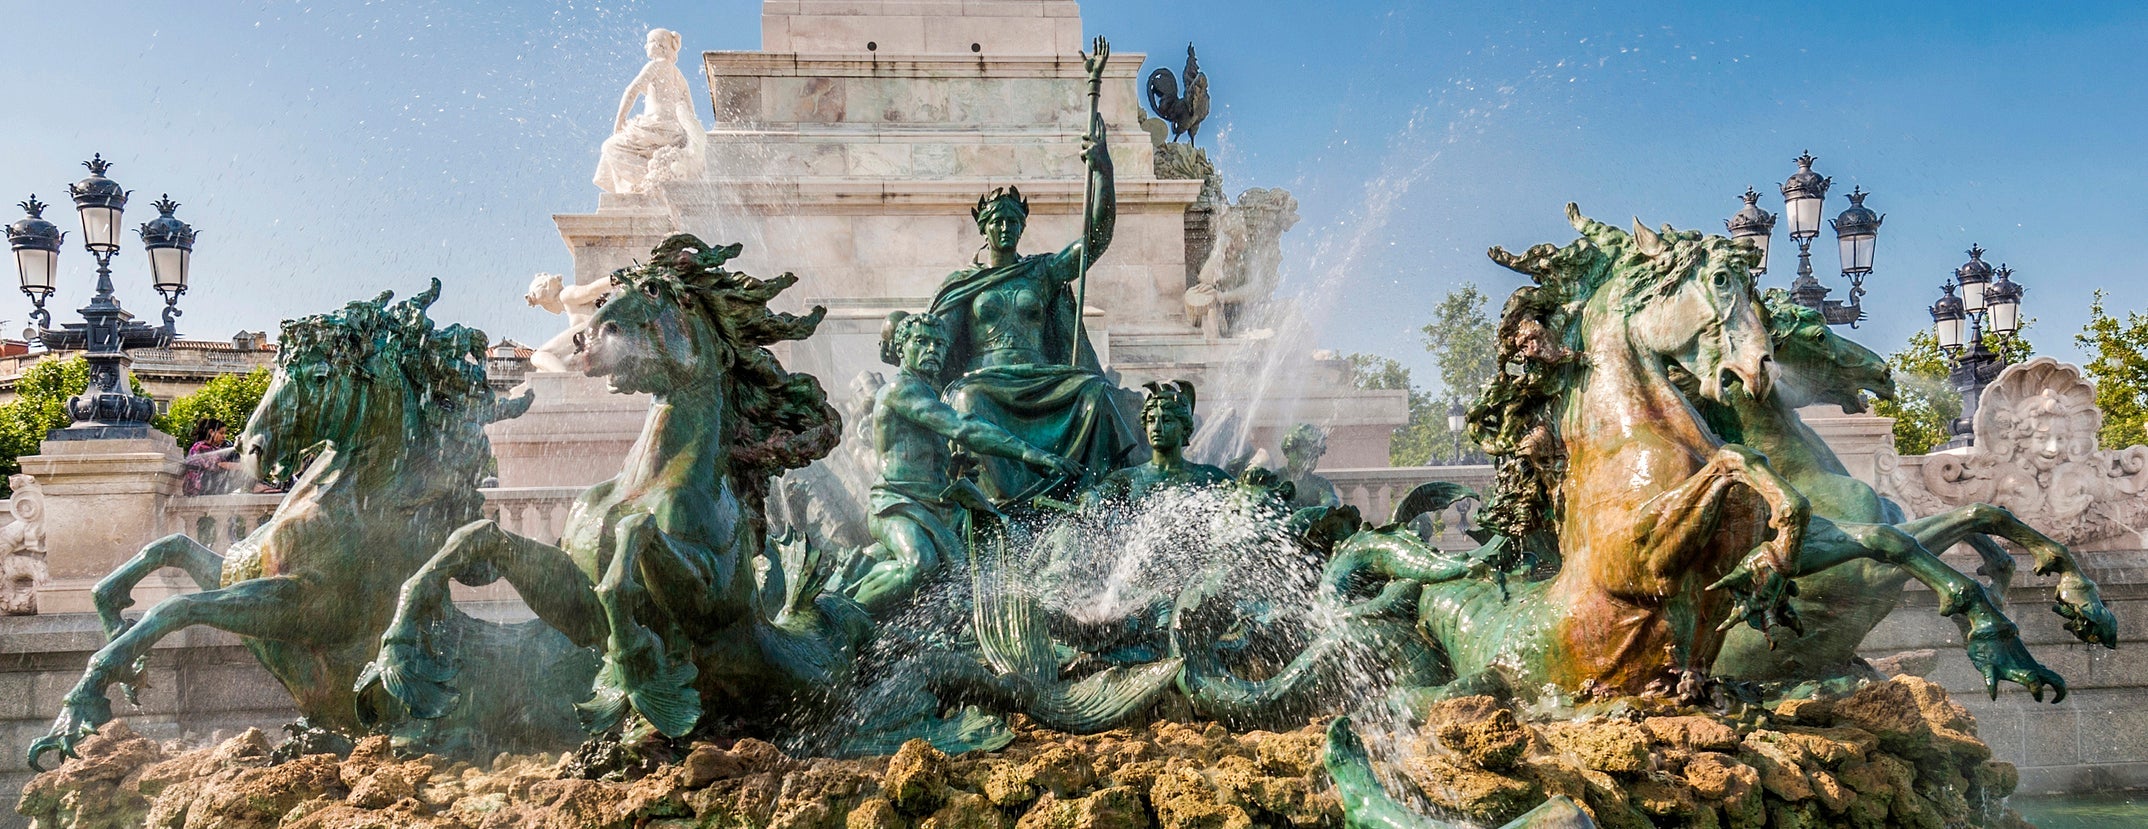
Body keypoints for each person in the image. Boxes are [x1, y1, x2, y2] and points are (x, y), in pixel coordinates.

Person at [925, 100, 1142, 499]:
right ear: (983, 228)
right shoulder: (963, 284)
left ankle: (1095, 497)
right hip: (985, 379)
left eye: (1013, 221)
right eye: (998, 222)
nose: (1006, 228)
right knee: (966, 399)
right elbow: (937, 339)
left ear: (1023, 226)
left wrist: (1104, 170)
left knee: (1094, 393)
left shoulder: (1040, 271)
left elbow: (1096, 239)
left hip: (1042, 379)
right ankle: (1006, 503)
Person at [847, 312, 1081, 613]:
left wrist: (953, 467)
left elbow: (926, 452)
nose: (932, 349)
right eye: (922, 342)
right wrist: (1029, 452)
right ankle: (846, 614)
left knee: (1005, 543)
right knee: (919, 564)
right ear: (902, 347)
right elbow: (963, 427)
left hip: (941, 505)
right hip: (897, 503)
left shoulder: (928, 392)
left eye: (939, 344)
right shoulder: (899, 389)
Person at [592, 28, 705, 195]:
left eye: (649, 42)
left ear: (659, 46)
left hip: (653, 128)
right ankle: (660, 176)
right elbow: (691, 115)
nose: (646, 46)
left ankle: (649, 180)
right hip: (674, 133)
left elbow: (632, 90)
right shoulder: (680, 77)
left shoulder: (655, 65)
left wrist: (620, 119)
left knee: (610, 147)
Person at [1088, 380, 1229, 504]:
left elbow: (1242, 497)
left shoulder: (1209, 475)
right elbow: (1094, 494)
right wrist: (1091, 497)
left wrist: (1249, 481)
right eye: (1151, 421)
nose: (1156, 428)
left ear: (1185, 429)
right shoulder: (1126, 478)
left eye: (1166, 420)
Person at [1279, 423, 1340, 510]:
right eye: (1307, 454)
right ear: (1291, 451)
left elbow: (1331, 506)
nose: (1313, 459)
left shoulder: (1322, 484)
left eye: (1316, 455)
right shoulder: (1276, 478)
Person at [181, 418, 242, 496]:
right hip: (198, 487)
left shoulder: (214, 448)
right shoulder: (201, 446)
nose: (224, 437)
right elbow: (221, 464)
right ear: (211, 432)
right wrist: (243, 467)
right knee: (240, 475)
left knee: (240, 474)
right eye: (221, 433)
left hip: (207, 484)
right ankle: (257, 487)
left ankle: (258, 486)